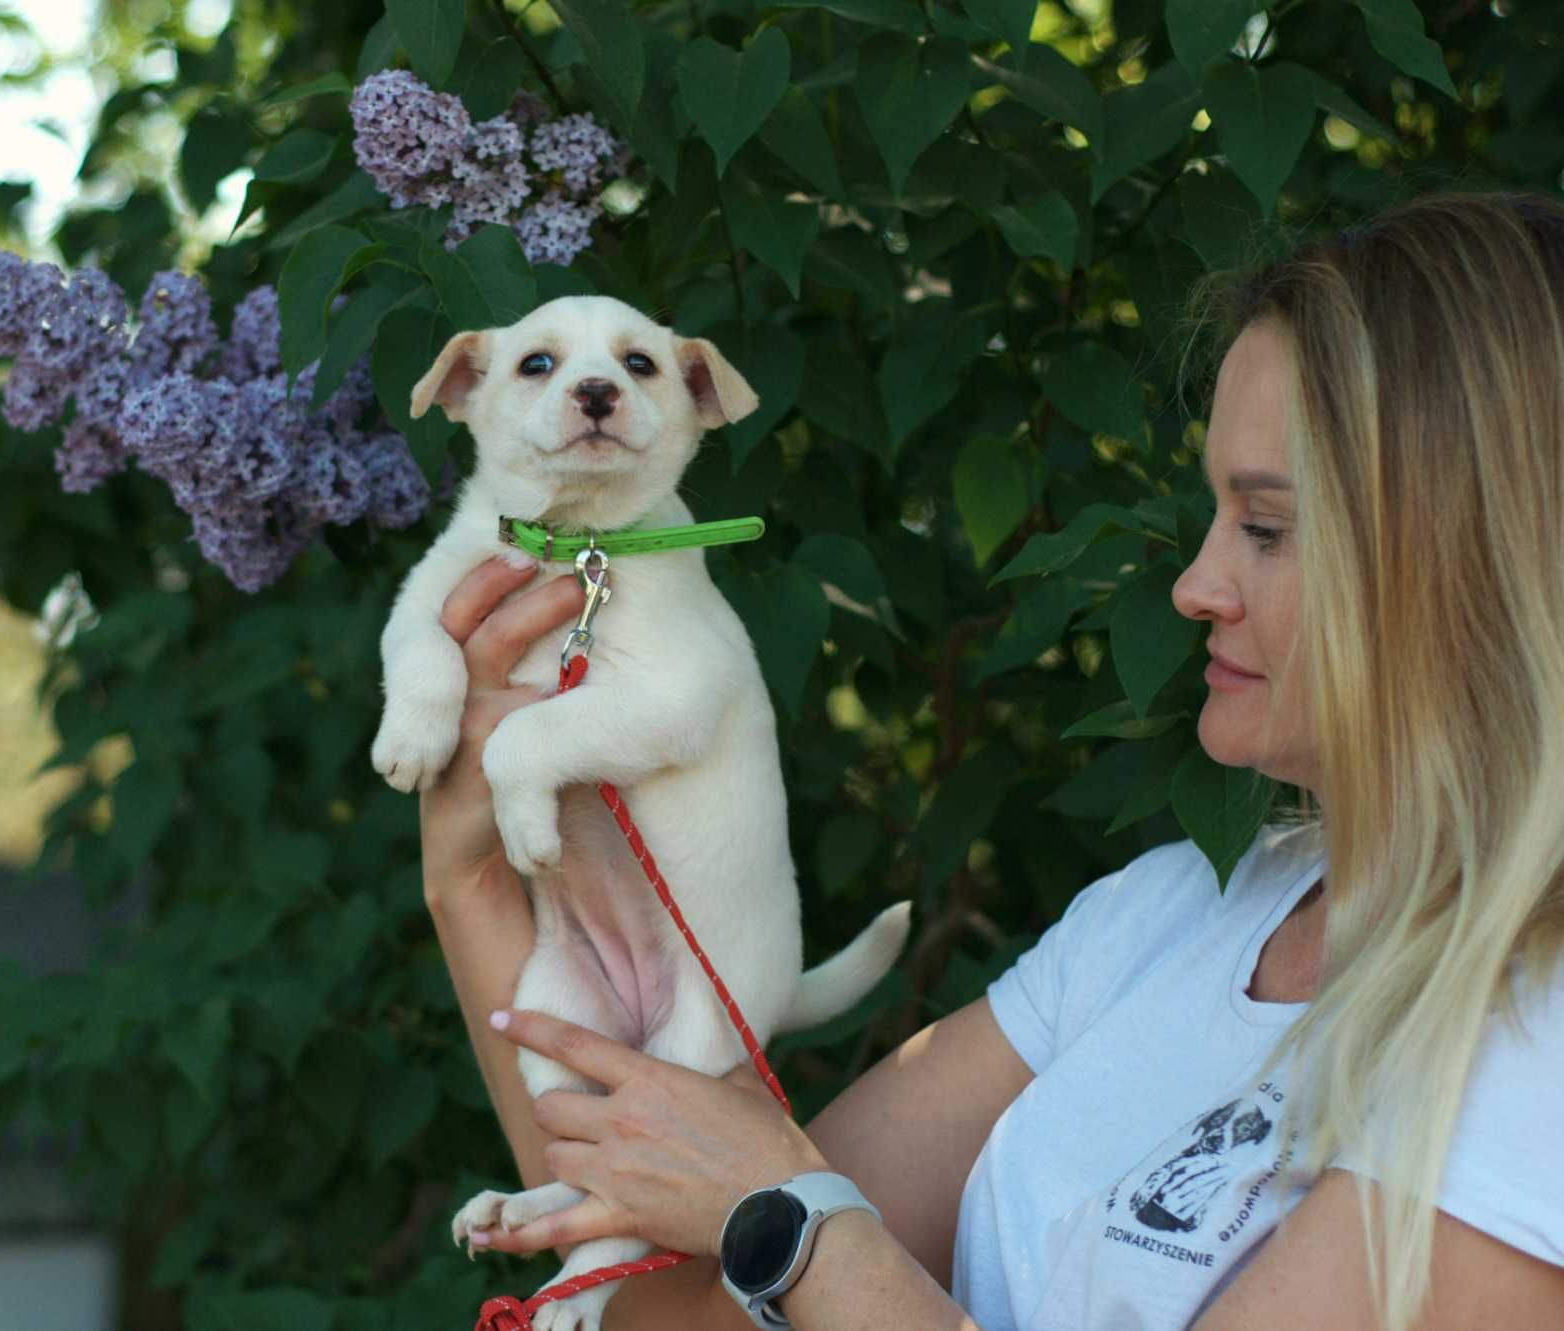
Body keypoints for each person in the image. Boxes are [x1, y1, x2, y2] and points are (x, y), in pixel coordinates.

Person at [417, 191, 1564, 1330]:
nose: (1192, 586)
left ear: (1478, 555)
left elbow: (764, 1215)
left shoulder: (1537, 1040)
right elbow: (673, 1320)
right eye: (1213, 514)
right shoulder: (1168, 916)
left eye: (1263, 529)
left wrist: (800, 1234)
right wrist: (467, 874)